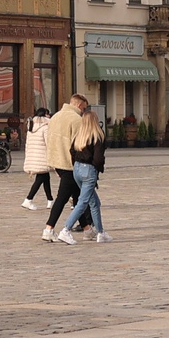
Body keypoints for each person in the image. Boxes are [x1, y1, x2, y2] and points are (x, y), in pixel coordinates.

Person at [57, 94, 110, 244]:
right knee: (83, 202)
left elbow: (72, 151)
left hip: (77, 170)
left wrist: (77, 165)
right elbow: (98, 158)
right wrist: (96, 168)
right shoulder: (97, 136)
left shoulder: (79, 135)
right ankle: (65, 230)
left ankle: (100, 232)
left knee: (95, 203)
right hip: (88, 171)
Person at [48, 96, 101, 242]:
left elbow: (49, 140)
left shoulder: (55, 117)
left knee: (78, 196)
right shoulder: (76, 119)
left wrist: (53, 163)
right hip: (72, 164)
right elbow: (80, 145)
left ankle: (87, 229)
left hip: (57, 162)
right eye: (83, 108)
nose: (84, 111)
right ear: (78, 105)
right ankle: (49, 228)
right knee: (63, 198)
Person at [23, 109, 55, 204]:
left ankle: (50, 200)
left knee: (45, 177)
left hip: (34, 156)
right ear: (45, 115)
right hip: (42, 156)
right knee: (40, 178)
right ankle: (28, 199)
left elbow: (27, 144)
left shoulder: (31, 127)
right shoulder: (45, 127)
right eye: (48, 114)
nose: (49, 116)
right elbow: (48, 143)